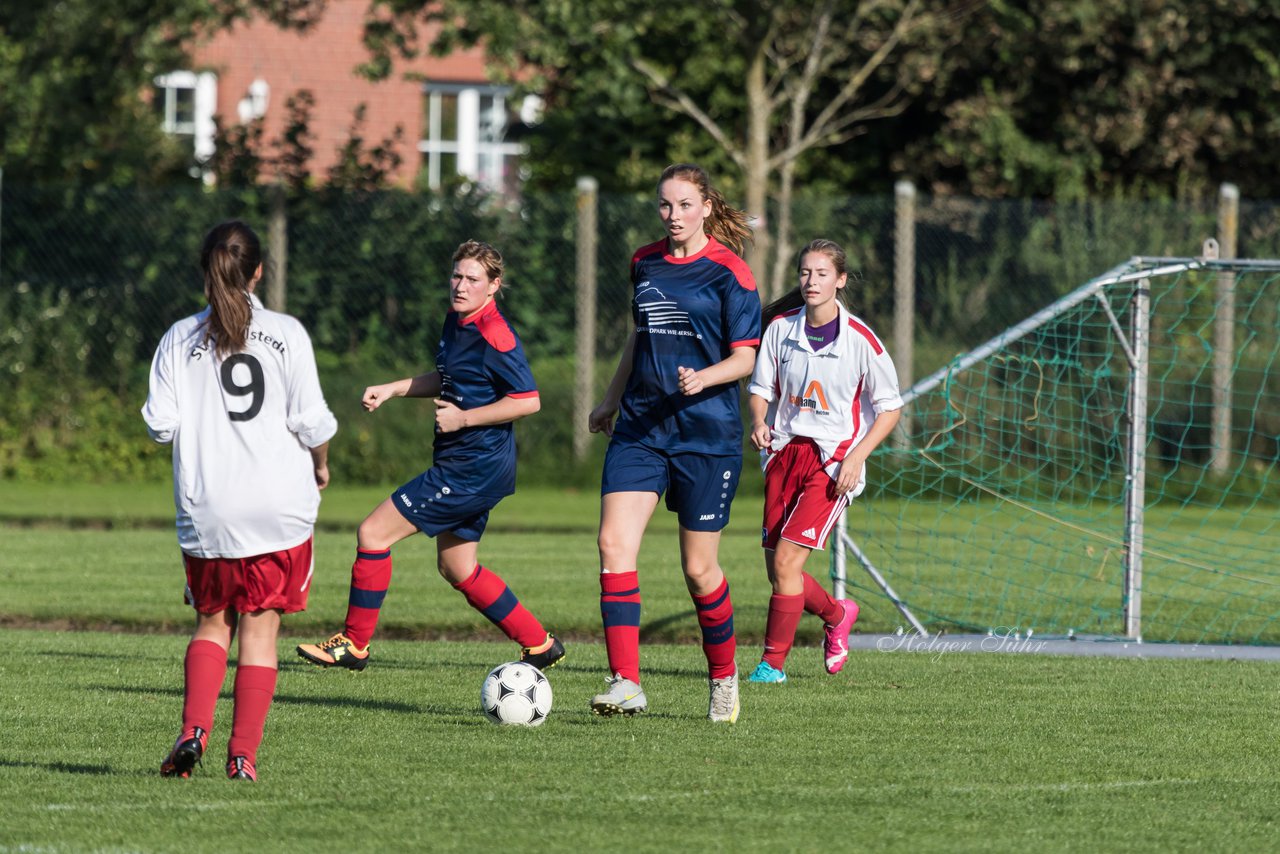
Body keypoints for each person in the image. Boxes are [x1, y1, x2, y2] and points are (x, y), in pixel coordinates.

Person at [296, 240, 565, 675]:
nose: (460, 285)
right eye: (456, 276)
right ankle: (540, 644)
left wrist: (464, 420)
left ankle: (354, 644)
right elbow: (447, 377)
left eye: (472, 279)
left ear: (493, 285)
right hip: (471, 466)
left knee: (372, 534)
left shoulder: (495, 334)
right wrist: (395, 388)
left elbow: (528, 400)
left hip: (472, 468)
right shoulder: (458, 320)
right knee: (458, 567)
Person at [144, 220, 337, 782]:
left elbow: (160, 425)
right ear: (257, 271)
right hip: (278, 510)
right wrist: (321, 464)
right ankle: (242, 756)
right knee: (260, 630)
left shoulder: (179, 337)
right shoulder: (286, 333)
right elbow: (311, 422)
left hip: (208, 511)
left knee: (211, 625)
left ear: (206, 270)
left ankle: (192, 732)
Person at [587, 163, 761, 723]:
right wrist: (612, 398)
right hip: (642, 427)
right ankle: (626, 682)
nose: (674, 216)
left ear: (707, 206)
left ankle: (723, 677)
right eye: (665, 205)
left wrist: (705, 378)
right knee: (614, 545)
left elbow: (745, 357)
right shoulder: (643, 261)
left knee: (698, 570)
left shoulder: (732, 274)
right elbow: (640, 337)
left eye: (685, 205)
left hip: (706, 436)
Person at [745, 238, 903, 684]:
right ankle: (837, 614)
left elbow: (890, 408)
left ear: (841, 280)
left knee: (786, 566)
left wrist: (857, 458)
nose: (811, 282)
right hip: (783, 455)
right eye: (805, 273)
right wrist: (759, 420)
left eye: (821, 274)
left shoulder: (861, 342)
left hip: (832, 465)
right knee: (779, 570)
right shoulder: (779, 330)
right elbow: (761, 388)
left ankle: (770, 666)